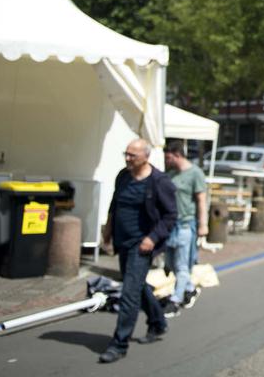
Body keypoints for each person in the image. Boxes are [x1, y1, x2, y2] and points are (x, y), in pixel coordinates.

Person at [99, 139, 177, 364]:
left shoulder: (159, 182)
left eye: (132, 155)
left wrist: (152, 238)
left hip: (141, 245)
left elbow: (171, 216)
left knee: (129, 293)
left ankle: (119, 344)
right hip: (123, 241)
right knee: (137, 285)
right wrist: (108, 230)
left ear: (146, 156)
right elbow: (115, 204)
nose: (127, 158)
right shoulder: (123, 176)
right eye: (126, 154)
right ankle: (158, 322)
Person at [163, 141, 208, 318]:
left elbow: (201, 200)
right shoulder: (171, 173)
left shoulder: (195, 173)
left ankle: (175, 300)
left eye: (168, 157)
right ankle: (189, 289)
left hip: (185, 225)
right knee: (171, 264)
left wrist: (203, 225)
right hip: (170, 225)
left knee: (182, 265)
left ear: (177, 155)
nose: (166, 161)